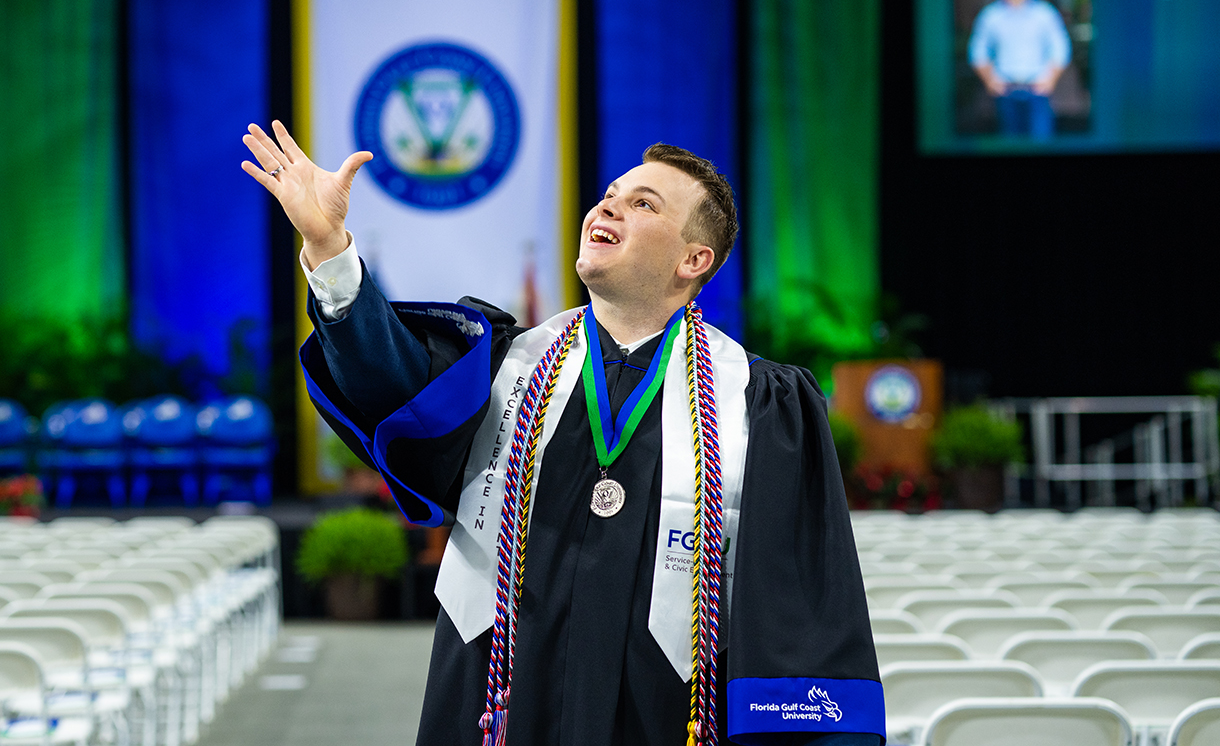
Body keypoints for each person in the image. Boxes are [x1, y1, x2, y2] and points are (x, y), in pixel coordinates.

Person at [242, 120, 884, 746]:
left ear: (694, 258)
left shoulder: (759, 403)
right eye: (610, 195)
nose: (609, 207)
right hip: (502, 703)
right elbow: (387, 379)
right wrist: (329, 250)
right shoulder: (506, 365)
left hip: (665, 713)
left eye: (643, 203)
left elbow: (798, 604)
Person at [968, 0, 1071, 140]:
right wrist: (990, 80)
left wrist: (1050, 78)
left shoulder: (1044, 14)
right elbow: (978, 50)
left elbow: (1060, 48)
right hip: (1005, 90)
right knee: (1010, 142)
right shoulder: (991, 15)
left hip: (1037, 90)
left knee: (1041, 141)